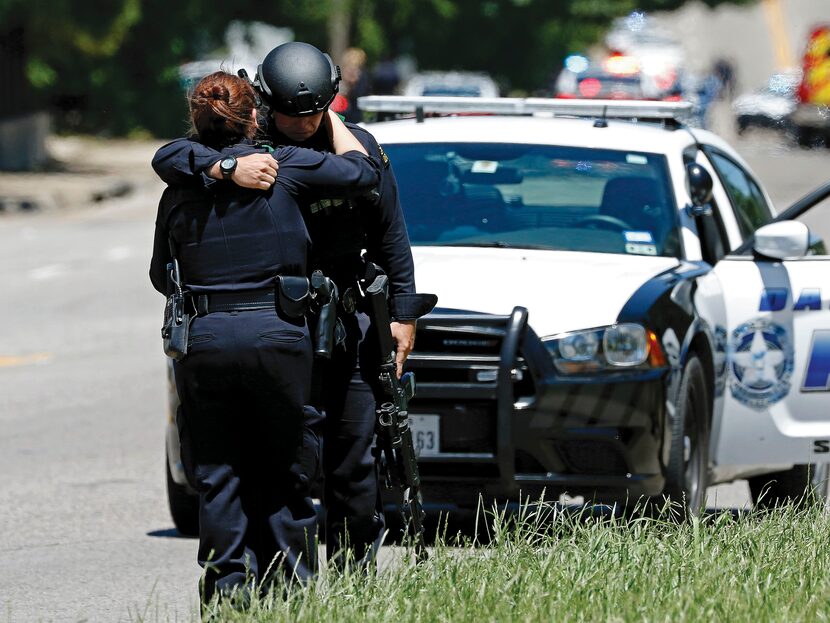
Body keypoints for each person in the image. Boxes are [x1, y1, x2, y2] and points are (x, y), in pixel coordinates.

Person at [152, 42, 434, 570]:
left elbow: (392, 236)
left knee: (354, 461)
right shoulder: (249, 149)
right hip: (282, 325)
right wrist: (227, 168)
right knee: (286, 464)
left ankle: (355, 580)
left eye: (312, 112)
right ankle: (279, 576)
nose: (301, 124)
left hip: (347, 322)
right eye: (289, 113)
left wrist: (403, 314)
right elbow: (172, 157)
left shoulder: (358, 150)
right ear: (264, 102)